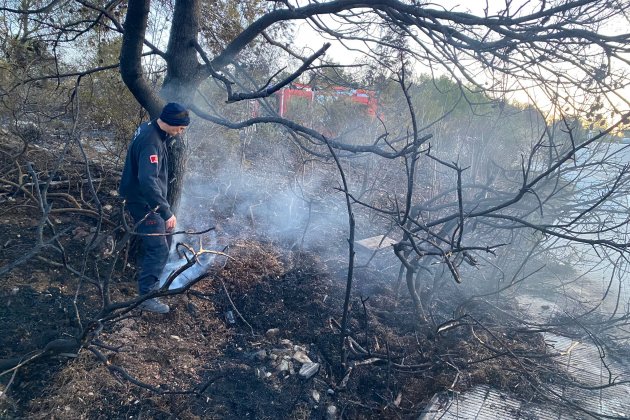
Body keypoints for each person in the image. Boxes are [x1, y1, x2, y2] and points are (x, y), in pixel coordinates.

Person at [119, 102, 190, 313]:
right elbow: (147, 181)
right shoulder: (152, 142)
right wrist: (165, 211)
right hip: (143, 201)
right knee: (158, 247)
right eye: (180, 128)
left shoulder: (149, 128)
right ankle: (147, 297)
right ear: (171, 123)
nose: (181, 133)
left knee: (165, 239)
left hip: (146, 199)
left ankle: (150, 281)